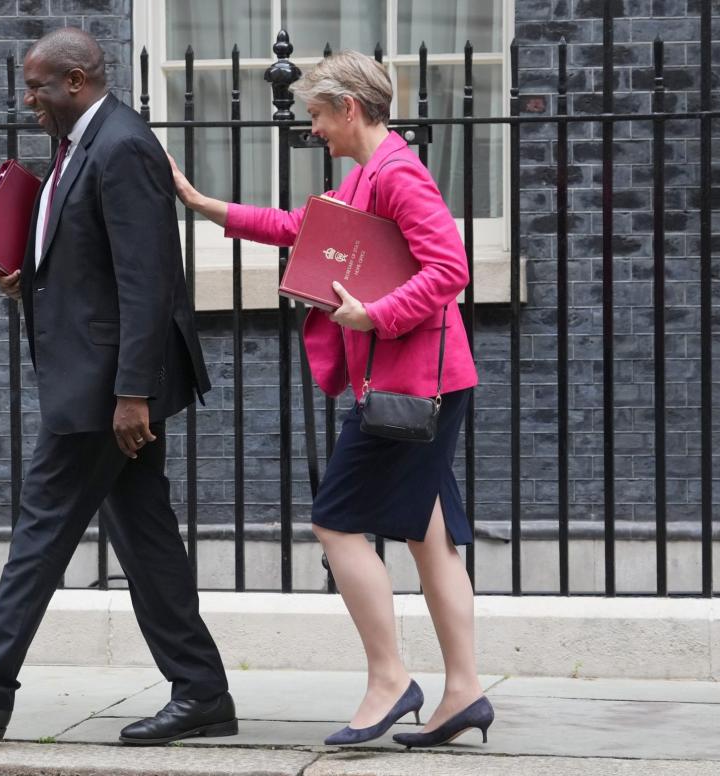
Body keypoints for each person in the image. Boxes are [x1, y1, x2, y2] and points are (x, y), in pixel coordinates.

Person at [0, 27, 237, 747]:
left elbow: (149, 281)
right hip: (100, 377)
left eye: (39, 86)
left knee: (43, 524)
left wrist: (133, 393)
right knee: (145, 539)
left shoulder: (121, 145)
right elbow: (94, 262)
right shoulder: (81, 143)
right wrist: (32, 281)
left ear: (77, 80)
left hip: (106, 387)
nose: (29, 100)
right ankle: (200, 691)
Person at [169, 50, 492, 749]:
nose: (312, 129)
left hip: (410, 385)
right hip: (429, 382)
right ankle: (463, 689)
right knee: (426, 536)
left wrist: (373, 316)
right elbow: (300, 230)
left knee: (336, 522)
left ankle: (388, 681)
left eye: (316, 115)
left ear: (349, 108)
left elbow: (451, 269)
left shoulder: (397, 175)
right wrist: (203, 205)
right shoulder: (369, 175)